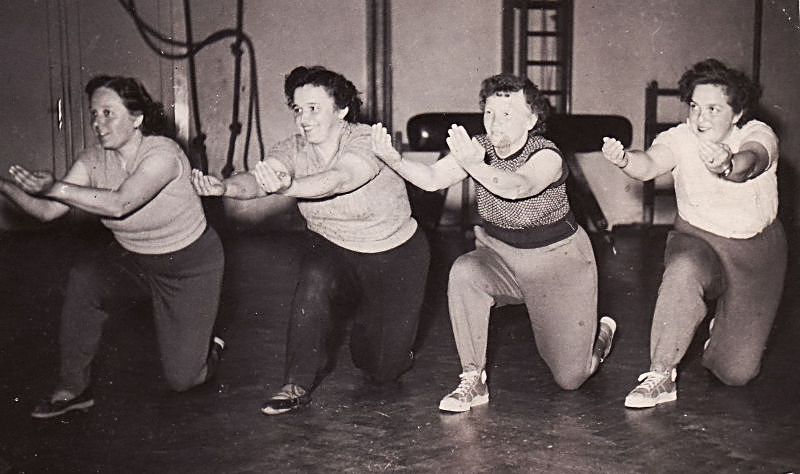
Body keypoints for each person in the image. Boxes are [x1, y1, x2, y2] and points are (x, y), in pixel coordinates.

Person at [191, 65, 430, 415]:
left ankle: (388, 346)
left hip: (392, 253)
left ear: (342, 110)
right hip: (332, 246)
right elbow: (259, 180)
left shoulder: (366, 140)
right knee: (314, 279)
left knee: (381, 368)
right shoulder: (293, 148)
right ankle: (295, 384)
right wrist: (224, 187)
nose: (303, 119)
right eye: (298, 109)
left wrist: (289, 186)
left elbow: (340, 179)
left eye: (314, 108)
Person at [371, 73, 616, 413]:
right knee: (465, 271)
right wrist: (395, 160)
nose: (495, 122)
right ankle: (473, 378)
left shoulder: (547, 155)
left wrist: (475, 165)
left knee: (571, 378)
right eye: (489, 112)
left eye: (507, 114)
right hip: (501, 258)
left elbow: (517, 187)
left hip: (557, 264)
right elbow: (432, 179)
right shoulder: (479, 148)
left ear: (531, 120)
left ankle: (600, 337)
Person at [0, 76, 226, 419]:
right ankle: (73, 388)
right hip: (135, 260)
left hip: (189, 267)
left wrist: (55, 187)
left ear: (137, 118)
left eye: (108, 113)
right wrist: (4, 186)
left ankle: (211, 348)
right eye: (94, 114)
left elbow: (120, 203)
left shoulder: (163, 153)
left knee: (183, 379)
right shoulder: (93, 160)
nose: (98, 123)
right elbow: (46, 211)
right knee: (85, 277)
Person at [602, 58, 786, 409]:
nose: (700, 118)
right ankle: (661, 373)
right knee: (683, 269)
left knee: (735, 373)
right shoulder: (680, 137)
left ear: (736, 113)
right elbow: (649, 164)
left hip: (756, 253)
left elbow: (751, 162)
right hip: (697, 239)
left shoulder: (758, 134)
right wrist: (625, 159)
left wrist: (727, 163)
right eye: (694, 107)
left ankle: (720, 334)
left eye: (713, 109)